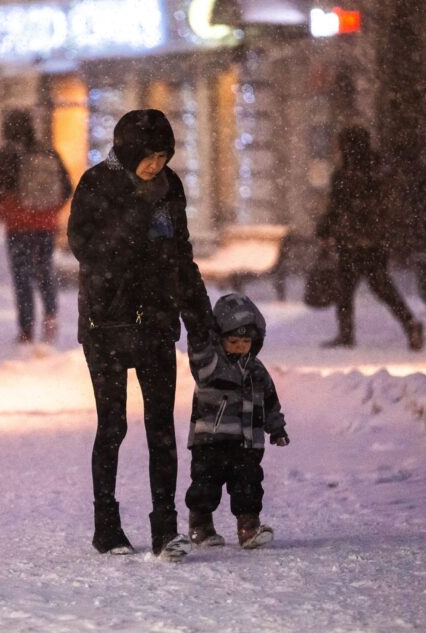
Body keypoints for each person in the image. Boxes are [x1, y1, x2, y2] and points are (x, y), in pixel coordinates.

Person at [68, 109, 216, 560]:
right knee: (112, 426)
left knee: (161, 429)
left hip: (155, 322)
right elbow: (85, 248)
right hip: (106, 325)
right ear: (129, 152)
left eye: (163, 155)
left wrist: (198, 315)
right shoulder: (97, 184)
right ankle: (107, 527)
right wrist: (133, 216)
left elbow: (180, 254)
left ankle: (165, 529)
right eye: (149, 156)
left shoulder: (171, 188)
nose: (156, 164)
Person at [186, 293, 289, 550]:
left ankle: (248, 527)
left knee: (249, 485)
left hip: (247, 443)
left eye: (246, 341)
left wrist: (276, 428)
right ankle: (201, 525)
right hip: (211, 441)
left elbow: (270, 401)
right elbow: (198, 348)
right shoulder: (209, 366)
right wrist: (197, 322)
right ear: (219, 339)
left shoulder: (257, 370)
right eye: (233, 341)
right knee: (205, 485)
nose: (241, 346)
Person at [316, 125, 424, 351]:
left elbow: (335, 207)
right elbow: (389, 206)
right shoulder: (379, 171)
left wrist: (324, 231)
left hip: (351, 241)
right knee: (382, 287)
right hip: (375, 240)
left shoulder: (344, 174)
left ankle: (346, 335)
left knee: (345, 288)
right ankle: (409, 323)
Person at [0, 109, 72, 344]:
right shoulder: (47, 150)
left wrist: (7, 211)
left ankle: (26, 328)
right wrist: (49, 211)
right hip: (45, 223)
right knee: (45, 268)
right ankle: (51, 315)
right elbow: (66, 187)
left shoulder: (6, 154)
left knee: (22, 276)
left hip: (18, 225)